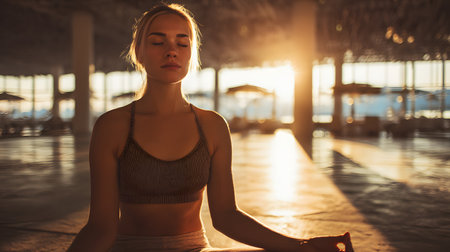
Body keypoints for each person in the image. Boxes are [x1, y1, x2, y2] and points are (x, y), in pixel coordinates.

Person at [68, 3, 353, 252]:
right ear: (139, 52)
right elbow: (101, 228)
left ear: (192, 54)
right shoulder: (113, 126)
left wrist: (300, 245)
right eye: (158, 42)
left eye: (182, 43)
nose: (171, 51)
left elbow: (226, 215)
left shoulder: (212, 126)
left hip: (194, 247)